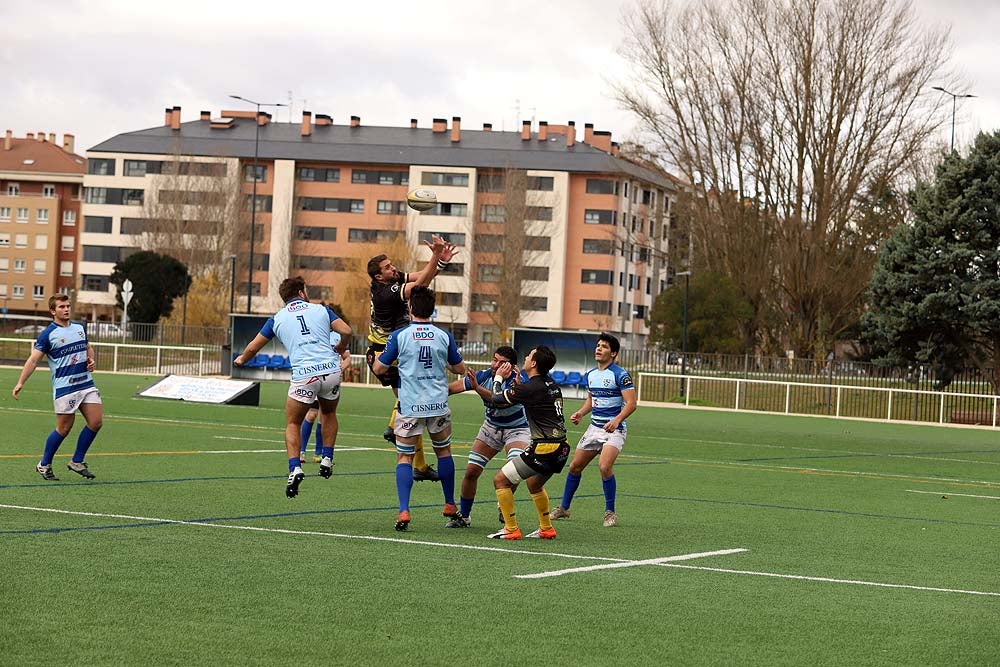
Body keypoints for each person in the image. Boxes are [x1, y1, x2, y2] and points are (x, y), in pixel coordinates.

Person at [234, 276, 352, 498]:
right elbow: (346, 330)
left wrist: (241, 359)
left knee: (293, 422)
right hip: (330, 371)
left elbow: (253, 347)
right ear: (301, 292)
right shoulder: (321, 310)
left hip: (304, 376)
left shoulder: (276, 319)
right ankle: (327, 457)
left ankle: (294, 468)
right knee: (328, 412)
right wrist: (340, 347)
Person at [372, 286, 467, 531]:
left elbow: (381, 369)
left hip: (410, 405)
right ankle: (449, 504)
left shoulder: (399, 335)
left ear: (411, 308)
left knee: (405, 456)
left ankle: (404, 510)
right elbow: (460, 369)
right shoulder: (443, 336)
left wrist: (378, 361)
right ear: (432, 310)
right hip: (438, 404)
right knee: (444, 453)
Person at [365, 235, 458, 483]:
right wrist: (435, 255)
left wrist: (439, 263)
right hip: (388, 353)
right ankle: (393, 425)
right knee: (411, 402)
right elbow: (420, 287)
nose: (392, 268)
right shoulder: (386, 293)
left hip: (390, 350)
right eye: (387, 267)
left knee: (412, 406)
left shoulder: (392, 281)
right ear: (378, 277)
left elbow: (420, 277)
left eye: (391, 264)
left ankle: (419, 465)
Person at [467, 345, 569, 540]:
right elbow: (528, 397)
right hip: (561, 448)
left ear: (534, 363)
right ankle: (546, 528)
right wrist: (516, 387)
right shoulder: (551, 384)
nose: (526, 356)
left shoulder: (530, 387)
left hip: (544, 448)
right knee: (534, 485)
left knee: (500, 480)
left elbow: (497, 398)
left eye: (529, 355)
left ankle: (511, 529)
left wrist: (498, 379)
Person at [12, 294, 102, 481]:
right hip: (65, 388)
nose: (66, 309)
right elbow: (34, 360)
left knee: (96, 422)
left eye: (68, 306)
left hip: (85, 383)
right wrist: (20, 382)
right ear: (53, 311)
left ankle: (77, 461)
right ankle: (44, 464)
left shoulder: (79, 328)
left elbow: (88, 348)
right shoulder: (48, 334)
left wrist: (92, 360)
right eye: (62, 307)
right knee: (63, 429)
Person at [551, 333, 637, 527]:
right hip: (594, 428)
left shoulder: (620, 375)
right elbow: (591, 399)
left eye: (604, 346)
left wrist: (617, 420)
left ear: (613, 353)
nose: (599, 349)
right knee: (574, 467)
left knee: (604, 466)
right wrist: (581, 413)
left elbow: (631, 404)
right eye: (598, 345)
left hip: (614, 430)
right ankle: (564, 508)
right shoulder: (591, 374)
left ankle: (610, 512)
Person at [444, 345, 529, 528]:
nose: (496, 365)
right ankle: (464, 517)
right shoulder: (484, 375)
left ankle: (503, 505)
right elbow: (453, 388)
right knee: (471, 471)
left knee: (513, 472)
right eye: (494, 359)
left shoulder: (519, 380)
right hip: (491, 428)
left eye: (502, 362)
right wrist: (430, 391)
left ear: (512, 366)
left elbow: (499, 402)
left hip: (517, 429)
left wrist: (476, 388)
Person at [300, 330, 352, 463]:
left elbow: (347, 357)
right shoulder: (312, 333)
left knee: (323, 418)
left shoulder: (337, 337)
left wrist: (340, 368)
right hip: (313, 379)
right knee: (311, 415)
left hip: (329, 382)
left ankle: (318, 454)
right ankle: (301, 451)